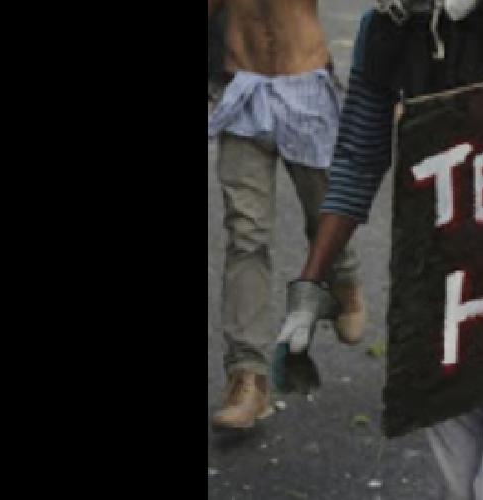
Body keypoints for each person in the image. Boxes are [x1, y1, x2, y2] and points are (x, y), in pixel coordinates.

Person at [280, 0, 483, 497]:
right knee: (461, 485)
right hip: (444, 293)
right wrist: (310, 286)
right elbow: (359, 159)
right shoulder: (385, 28)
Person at [207, 0, 367, 431]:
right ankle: (248, 377)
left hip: (307, 88)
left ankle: (344, 279)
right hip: (243, 91)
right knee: (246, 235)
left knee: (327, 214)